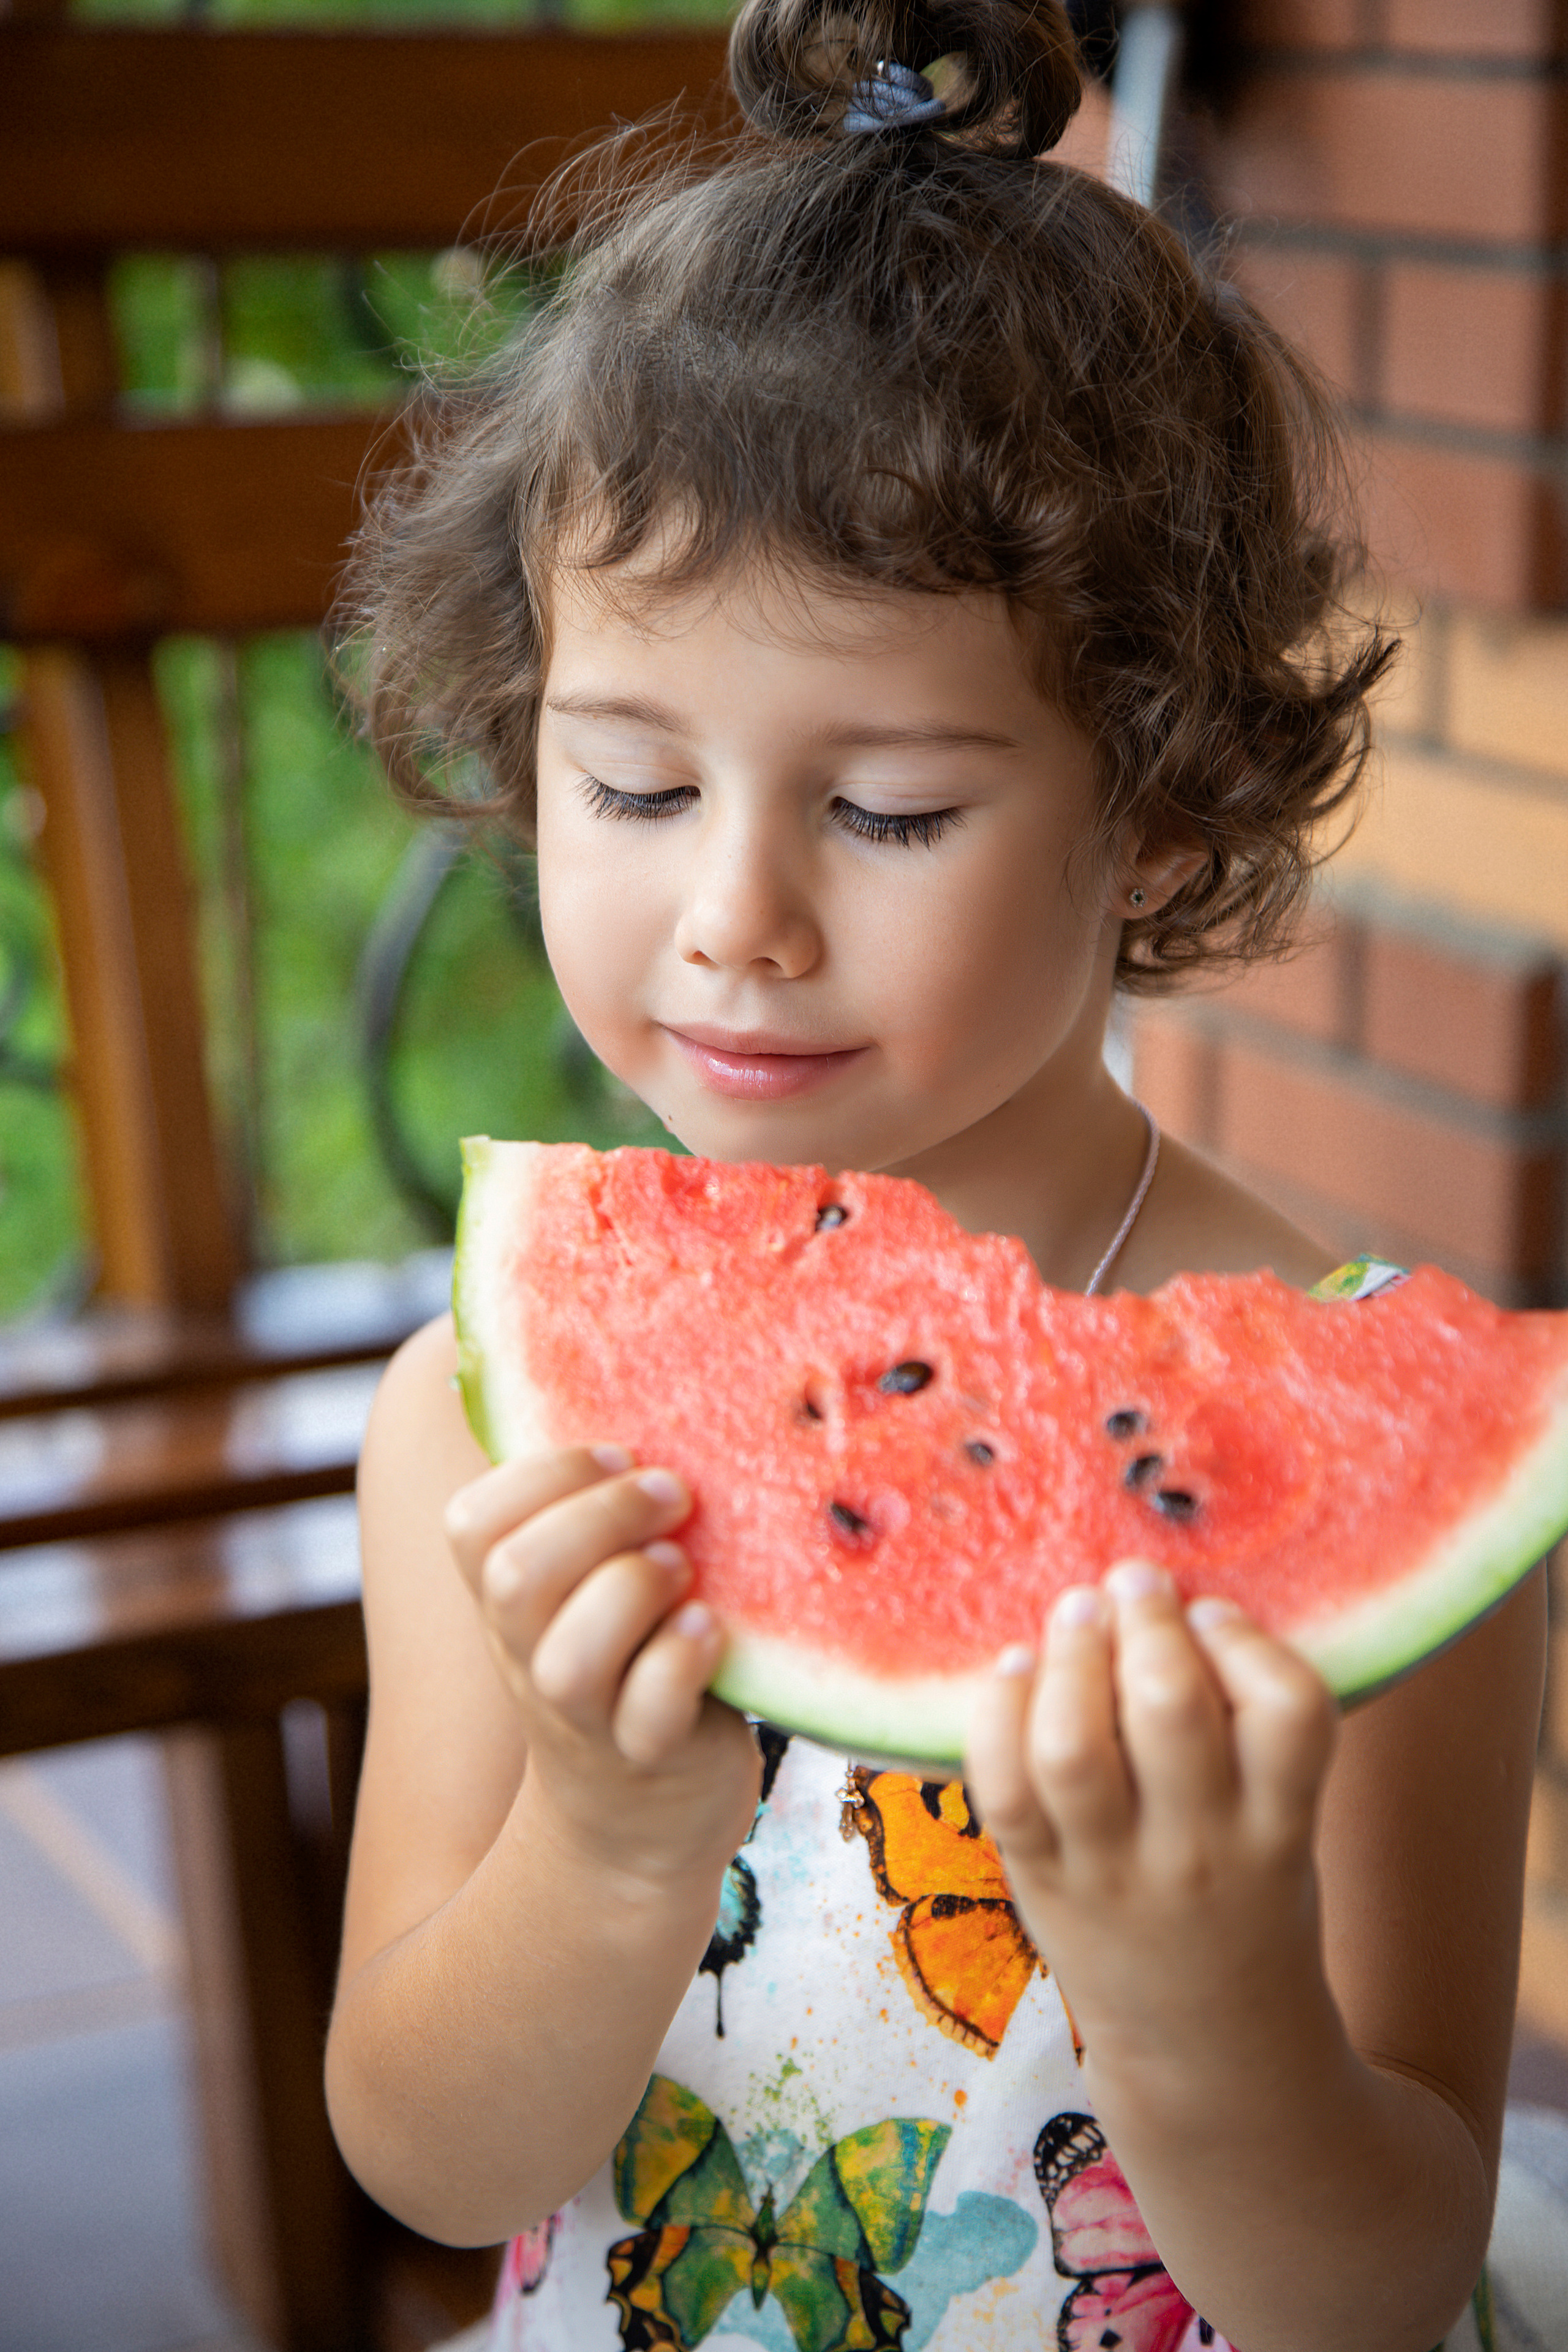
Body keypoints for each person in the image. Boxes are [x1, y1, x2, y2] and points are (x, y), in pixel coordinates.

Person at [323, 3, 1548, 2345]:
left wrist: (1209, 2007)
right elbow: (423, 2155)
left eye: (886, 810)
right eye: (634, 783)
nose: (734, 917)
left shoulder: (1358, 1436)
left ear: (1159, 810)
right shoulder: (470, 1439)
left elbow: (1382, 2294)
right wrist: (600, 1848)